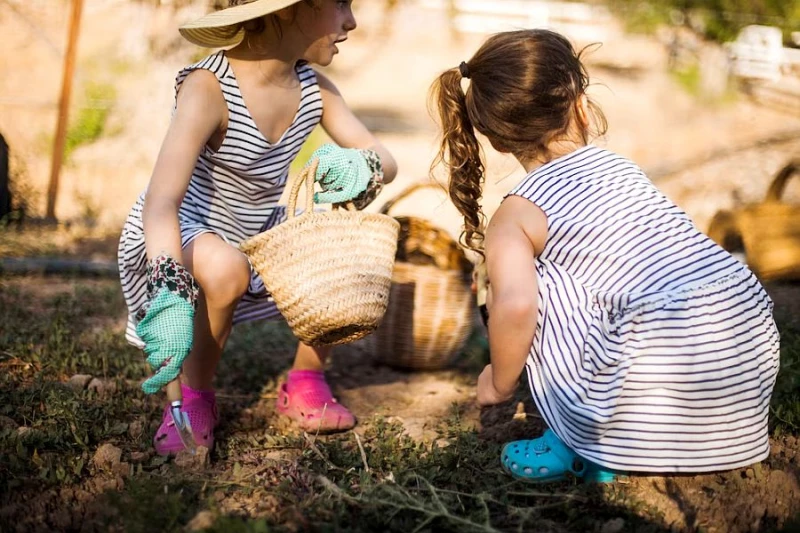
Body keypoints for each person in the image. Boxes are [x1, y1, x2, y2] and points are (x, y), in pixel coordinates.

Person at [431, 29, 779, 483]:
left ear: (497, 140)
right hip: (740, 380)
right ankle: (653, 440)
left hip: (655, 386)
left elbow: (516, 306)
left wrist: (499, 380)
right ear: (580, 105)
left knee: (534, 279)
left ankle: (586, 442)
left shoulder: (517, 214)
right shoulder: (623, 169)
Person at [118, 0, 397, 456]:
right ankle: (195, 397)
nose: (352, 20)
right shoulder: (209, 88)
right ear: (287, 9)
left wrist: (359, 165)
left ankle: (306, 378)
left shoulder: (315, 91)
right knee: (227, 269)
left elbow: (386, 160)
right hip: (184, 231)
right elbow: (161, 202)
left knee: (339, 251)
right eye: (340, 3)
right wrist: (169, 285)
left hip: (258, 230)